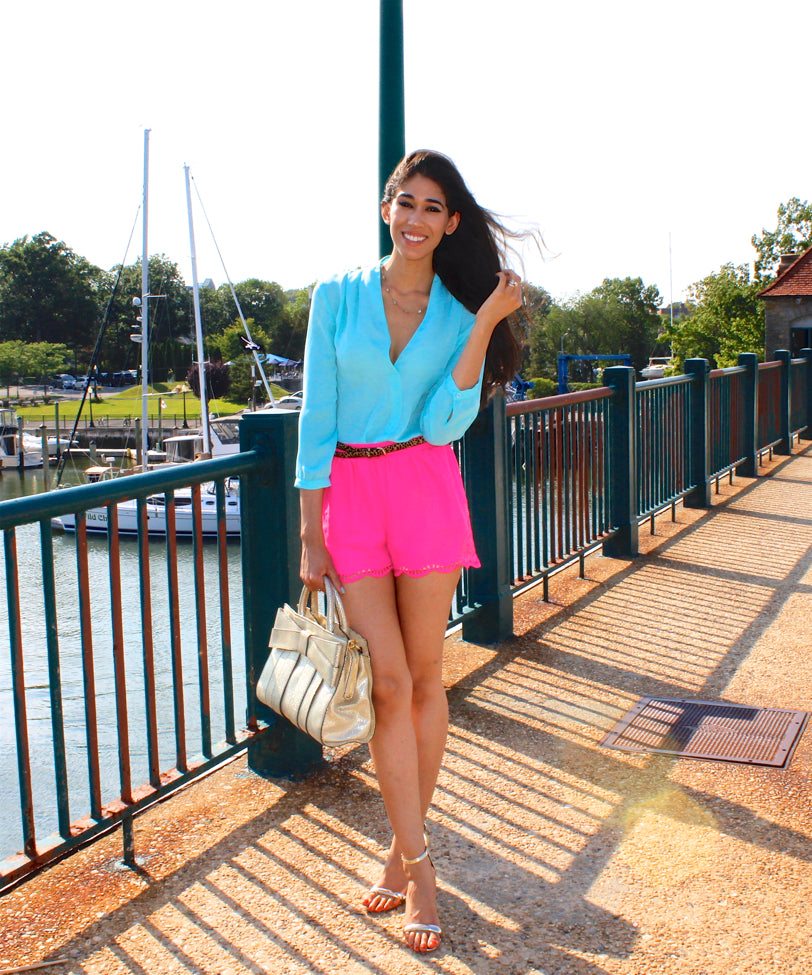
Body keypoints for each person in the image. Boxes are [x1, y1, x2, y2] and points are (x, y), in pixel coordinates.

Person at [295, 149, 524, 953]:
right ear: (385, 208)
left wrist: (488, 323)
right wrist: (308, 529)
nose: (417, 218)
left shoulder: (462, 317)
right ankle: (423, 863)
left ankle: (402, 855)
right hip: (351, 504)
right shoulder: (337, 296)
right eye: (406, 202)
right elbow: (316, 417)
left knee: (425, 680)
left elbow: (443, 424)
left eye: (434, 207)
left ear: (451, 222)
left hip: (424, 489)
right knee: (388, 682)